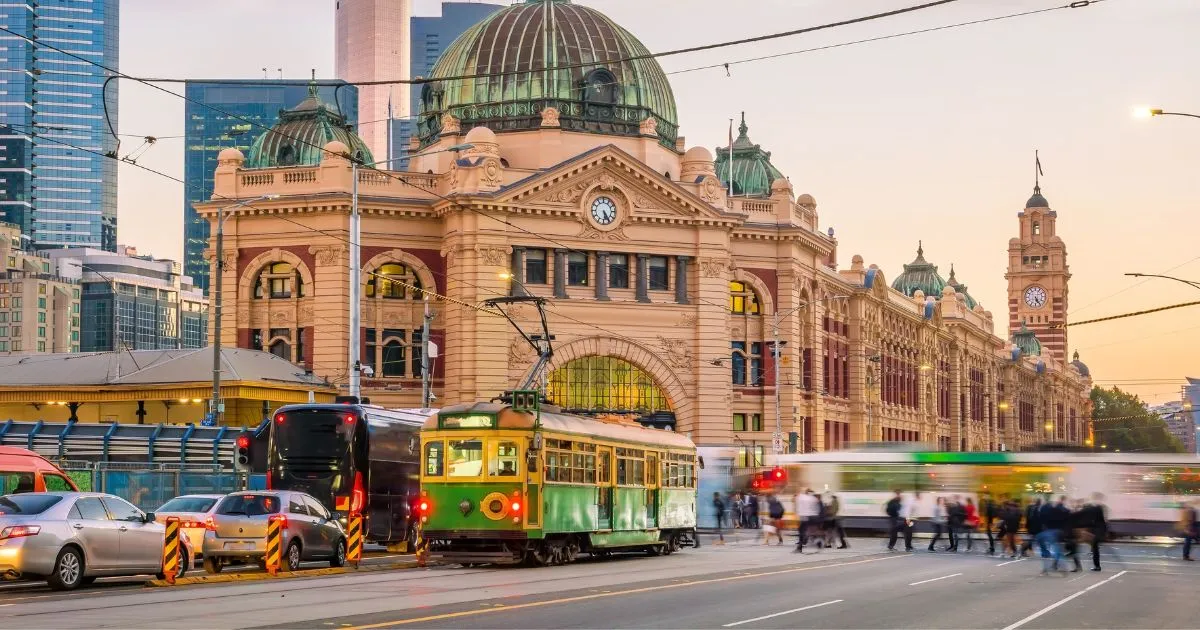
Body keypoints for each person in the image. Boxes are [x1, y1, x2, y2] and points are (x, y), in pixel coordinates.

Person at [1037, 496, 1069, 575]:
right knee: (1055, 547)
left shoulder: (1048, 509)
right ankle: (1055, 565)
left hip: (1051, 531)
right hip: (1059, 531)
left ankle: (1053, 563)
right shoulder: (1062, 510)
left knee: (1047, 544)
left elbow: (1042, 518)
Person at [1077, 493, 1107, 571]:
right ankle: (1097, 566)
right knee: (1095, 548)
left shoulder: (1096, 507)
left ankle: (1097, 566)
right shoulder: (1099, 507)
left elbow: (1087, 511)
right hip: (1098, 530)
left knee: (1095, 548)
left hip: (1097, 530)